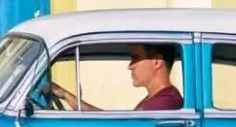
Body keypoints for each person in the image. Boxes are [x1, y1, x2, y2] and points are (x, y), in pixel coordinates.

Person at [47, 43, 184, 111]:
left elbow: (120, 126)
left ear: (156, 62)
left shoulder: (164, 103)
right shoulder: (157, 99)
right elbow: (108, 120)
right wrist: (64, 94)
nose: (130, 66)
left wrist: (66, 95)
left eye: (136, 58)